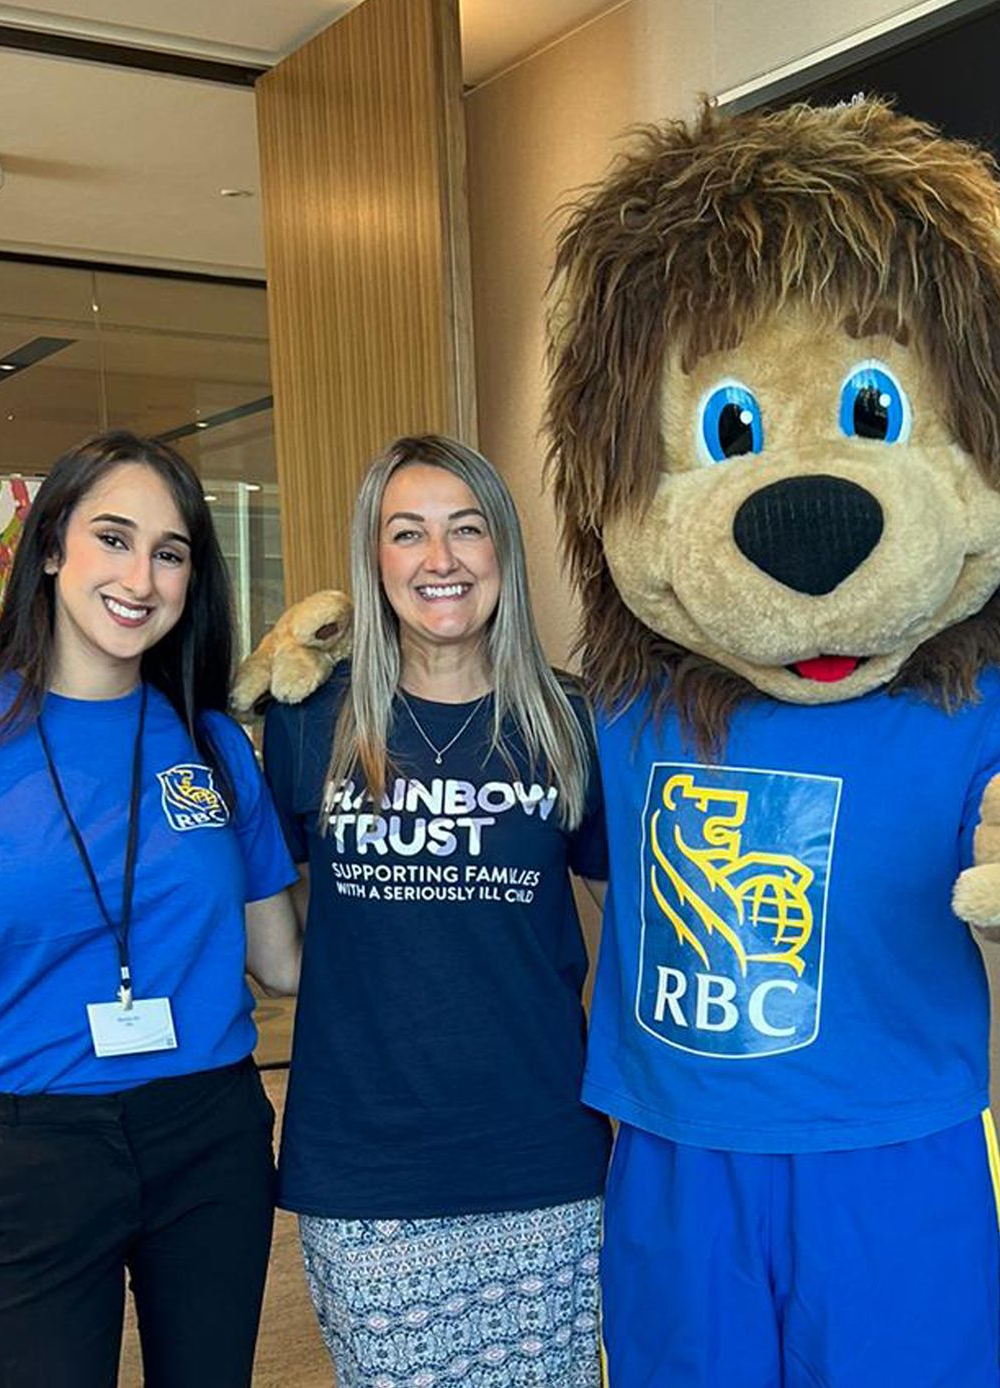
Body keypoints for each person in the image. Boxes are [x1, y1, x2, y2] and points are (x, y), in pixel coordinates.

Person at [0, 430, 301, 1387]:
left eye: (171, 551)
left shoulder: (215, 746)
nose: (141, 576)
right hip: (31, 1149)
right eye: (113, 538)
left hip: (209, 1135)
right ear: (53, 546)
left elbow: (284, 960)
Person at [260, 435, 610, 1388]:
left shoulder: (574, 724)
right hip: (366, 1161)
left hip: (540, 1152)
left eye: (465, 530)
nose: (439, 560)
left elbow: (632, 930)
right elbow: (270, 929)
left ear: (503, 548)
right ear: (374, 562)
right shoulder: (310, 720)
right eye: (406, 533)